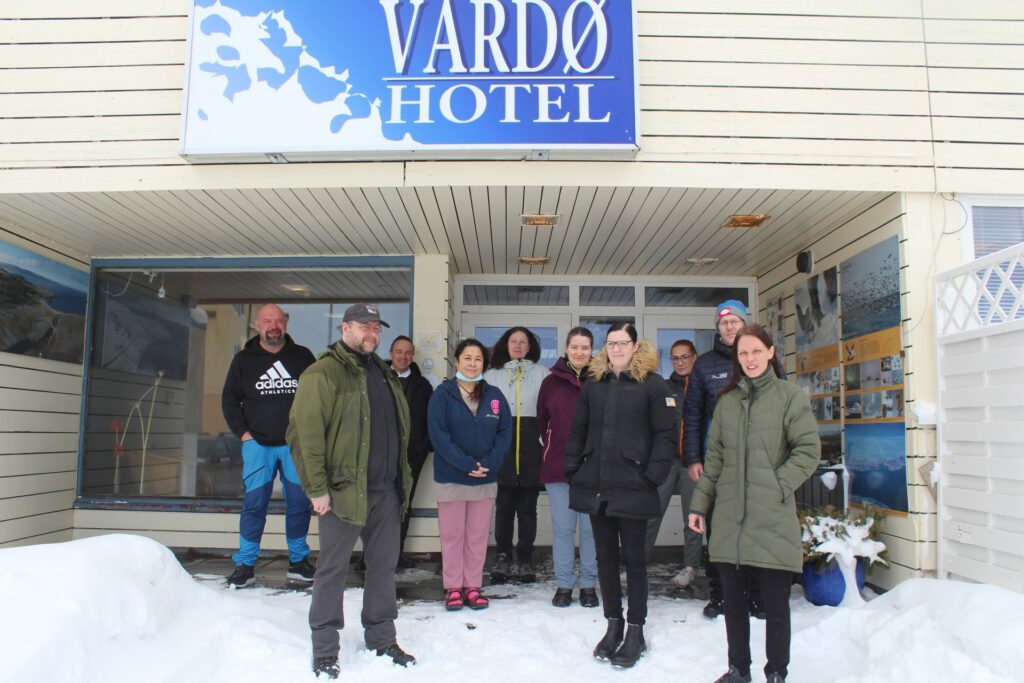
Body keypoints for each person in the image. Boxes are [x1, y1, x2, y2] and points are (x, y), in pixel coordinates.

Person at [286, 303, 416, 679]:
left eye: (376, 327)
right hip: (342, 493)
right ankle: (325, 647)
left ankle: (382, 638)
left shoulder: (383, 373)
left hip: (386, 492)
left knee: (383, 569)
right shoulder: (323, 373)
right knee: (332, 570)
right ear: (345, 329)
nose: (372, 333)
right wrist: (316, 489)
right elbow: (303, 436)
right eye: (364, 326)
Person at [688, 324, 820, 683]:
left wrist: (777, 485)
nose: (750, 359)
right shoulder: (727, 401)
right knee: (734, 605)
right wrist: (700, 506)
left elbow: (808, 450)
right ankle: (738, 670)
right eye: (743, 353)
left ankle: (776, 672)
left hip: (771, 517)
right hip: (730, 518)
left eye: (756, 351)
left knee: (775, 607)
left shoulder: (790, 397)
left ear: (771, 353)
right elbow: (714, 460)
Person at [563, 322, 676, 668]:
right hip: (598, 485)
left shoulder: (653, 385)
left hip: (634, 485)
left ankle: (635, 630)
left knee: (635, 561)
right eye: (611, 343)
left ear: (635, 345)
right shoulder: (594, 384)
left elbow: (666, 435)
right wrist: (572, 467)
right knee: (605, 560)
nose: (616, 348)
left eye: (622, 343)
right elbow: (578, 429)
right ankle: (613, 624)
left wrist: (652, 476)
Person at [221, 303, 316, 588]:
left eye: (279, 321)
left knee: (299, 505)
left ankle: (298, 562)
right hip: (257, 445)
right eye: (267, 321)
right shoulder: (243, 360)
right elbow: (229, 400)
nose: (274, 326)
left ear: (286, 323)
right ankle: (246, 564)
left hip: (294, 445)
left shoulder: (302, 357)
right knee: (254, 505)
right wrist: (243, 434)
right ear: (257, 325)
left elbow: (317, 397)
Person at [682, 299, 764, 619]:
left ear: (745, 323)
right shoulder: (704, 365)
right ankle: (720, 596)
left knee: (754, 528)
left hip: (757, 461)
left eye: (735, 321)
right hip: (717, 463)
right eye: (723, 322)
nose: (729, 327)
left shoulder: (761, 357)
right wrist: (693, 458)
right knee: (719, 530)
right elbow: (692, 413)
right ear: (717, 328)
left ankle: (756, 596)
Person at [427, 339, 512, 611]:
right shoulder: (443, 394)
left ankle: (473, 586)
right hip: (452, 478)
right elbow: (439, 436)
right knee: (452, 536)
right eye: (467, 358)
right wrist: (466, 464)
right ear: (457, 361)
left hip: (484, 478)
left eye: (478, 359)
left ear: (484, 364)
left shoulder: (495, 396)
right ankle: (453, 587)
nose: (473, 363)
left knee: (477, 536)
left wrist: (490, 463)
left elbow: (504, 433)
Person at [536, 327, 599, 608]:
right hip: (558, 466)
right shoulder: (551, 382)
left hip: (592, 469)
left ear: (592, 350)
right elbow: (542, 422)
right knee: (563, 529)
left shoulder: (601, 380)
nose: (579, 352)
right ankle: (564, 584)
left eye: (585, 347)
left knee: (590, 530)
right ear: (566, 348)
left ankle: (588, 584)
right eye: (575, 347)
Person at [483, 327, 550, 583]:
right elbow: (484, 414)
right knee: (504, 508)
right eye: (514, 341)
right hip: (503, 451)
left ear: (530, 346)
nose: (519, 345)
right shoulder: (492, 375)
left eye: (524, 342)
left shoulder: (543, 374)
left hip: (532, 450)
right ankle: (502, 557)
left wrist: (544, 442)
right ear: (506, 344)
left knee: (527, 509)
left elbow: (550, 414)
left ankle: (525, 559)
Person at [643, 339, 703, 590]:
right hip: (667, 461)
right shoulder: (665, 388)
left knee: (693, 516)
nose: (680, 362)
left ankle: (690, 567)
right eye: (675, 358)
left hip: (694, 463)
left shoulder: (703, 386)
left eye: (684, 357)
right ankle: (638, 564)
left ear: (694, 357)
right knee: (651, 512)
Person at [388, 335, 434, 568]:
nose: (403, 356)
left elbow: (430, 420)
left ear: (412, 355)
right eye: (399, 351)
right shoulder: (377, 380)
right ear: (391, 354)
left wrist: (422, 448)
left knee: (403, 504)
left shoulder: (423, 386)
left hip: (411, 456)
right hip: (380, 456)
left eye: (407, 352)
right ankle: (370, 556)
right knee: (377, 505)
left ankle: (397, 554)